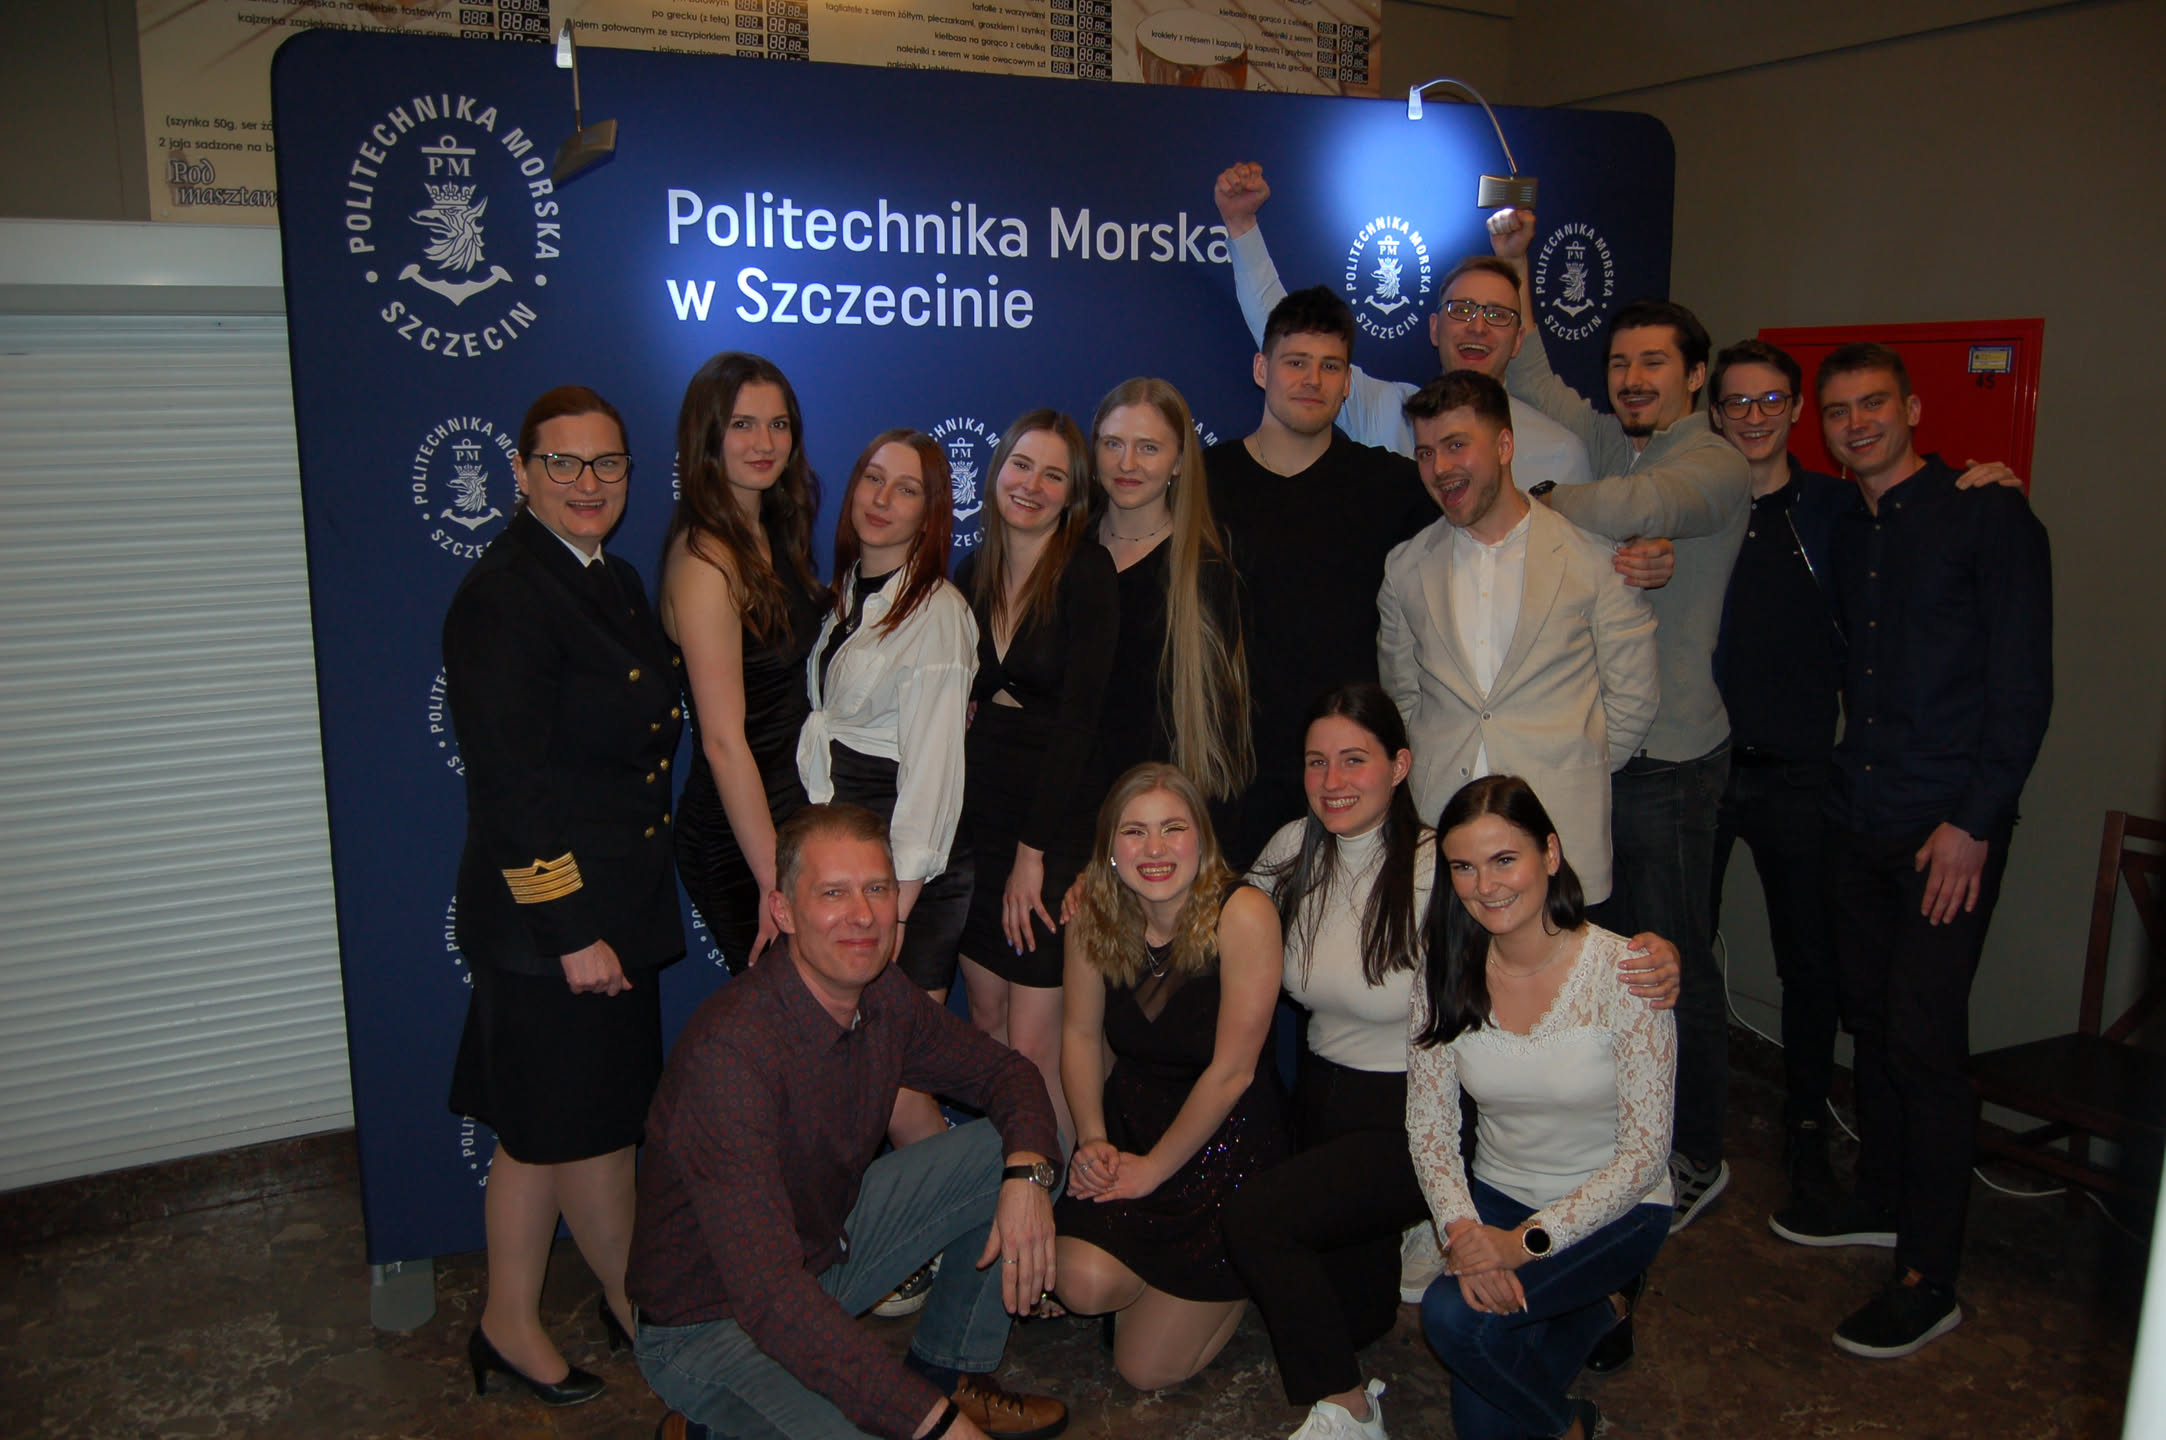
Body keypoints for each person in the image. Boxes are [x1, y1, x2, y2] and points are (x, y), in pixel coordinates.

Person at [1774, 343, 2051, 1360]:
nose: (1857, 422)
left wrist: (1974, 824)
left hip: (1948, 830)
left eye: (1874, 403)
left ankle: (1930, 1278)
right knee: (1875, 1022)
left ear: (1915, 408)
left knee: (1926, 1046)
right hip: (1860, 816)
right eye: (1839, 409)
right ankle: (1883, 1199)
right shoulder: (1848, 526)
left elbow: (2022, 689)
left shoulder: (1990, 515)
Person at [628, 804, 1069, 1440]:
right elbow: (772, 1299)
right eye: (833, 893)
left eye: (877, 889)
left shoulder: (882, 995)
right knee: (882, 1424)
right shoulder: (730, 1056)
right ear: (783, 912)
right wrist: (935, 1428)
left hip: (821, 1253)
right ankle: (709, 1425)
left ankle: (947, 1372)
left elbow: (1008, 1074)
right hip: (710, 1323)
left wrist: (1026, 1177)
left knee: (1027, 1146)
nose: (862, 915)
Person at [1705, 338, 2025, 1215]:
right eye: (1738, 403)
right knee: (1692, 965)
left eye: (1773, 401)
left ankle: (1818, 1144)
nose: (1755, 417)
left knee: (1836, 985)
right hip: (1727, 776)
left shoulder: (1844, 512)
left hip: (1833, 787)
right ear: (1715, 414)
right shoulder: (1695, 506)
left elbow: (2010, 686)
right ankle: (1692, 1136)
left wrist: (1986, 481)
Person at [1487, 207, 1750, 1231]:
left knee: (1670, 960)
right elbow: (1533, 375)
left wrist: (1548, 499)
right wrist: (1516, 261)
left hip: (1674, 760)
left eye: (1655, 364)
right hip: (1610, 754)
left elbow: (1644, 510)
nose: (1634, 379)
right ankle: (1627, 1136)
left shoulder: (1711, 460)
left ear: (1696, 376)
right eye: (1623, 363)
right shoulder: (1616, 442)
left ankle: (1694, 1152)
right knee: (1607, 959)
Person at [442, 385, 683, 1406]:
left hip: (613, 909)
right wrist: (573, 930)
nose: (589, 483)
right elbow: (510, 790)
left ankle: (537, 1316)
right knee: (573, 1134)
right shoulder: (504, 594)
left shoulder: (610, 578)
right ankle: (614, 1313)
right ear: (522, 473)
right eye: (564, 463)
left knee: (555, 1129)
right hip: (555, 929)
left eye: (608, 463)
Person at [1409, 776, 1677, 1440]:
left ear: (1550, 854)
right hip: (1499, 1196)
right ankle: (1588, 1349)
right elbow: (1431, 1129)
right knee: (1485, 1419)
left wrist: (1524, 1244)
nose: (1485, 886)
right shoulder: (1443, 973)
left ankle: (1581, 1364)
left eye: (1505, 859)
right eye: (1463, 867)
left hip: (1616, 1211)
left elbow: (1645, 1157)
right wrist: (1465, 1236)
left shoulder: (1626, 972)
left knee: (1450, 1318)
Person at [1219, 686, 1434, 1440]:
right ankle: (1400, 1245)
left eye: (1353, 760)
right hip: (1316, 1102)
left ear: (1399, 766)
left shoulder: (1436, 865)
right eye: (1317, 762)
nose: (1332, 781)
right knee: (1359, 1317)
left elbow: (1542, 933)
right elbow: (1208, 916)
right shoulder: (1293, 846)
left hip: (1409, 1115)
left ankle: (1350, 1410)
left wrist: (1646, 956)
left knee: (1256, 1222)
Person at [1377, 370, 1659, 904]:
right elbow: (1403, 697)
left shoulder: (1594, 558)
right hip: (1442, 843)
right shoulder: (1405, 568)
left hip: (1561, 839)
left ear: (1505, 445)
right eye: (1426, 453)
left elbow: (1632, 700)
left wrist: (1570, 764)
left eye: (1456, 445)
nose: (1440, 468)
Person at [1052, 763, 1289, 1390]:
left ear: (1201, 840)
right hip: (1132, 1123)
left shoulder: (1244, 913)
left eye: (1172, 829)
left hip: (1225, 1146)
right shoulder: (1092, 915)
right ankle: (1151, 1285)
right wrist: (1094, 1138)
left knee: (1144, 1370)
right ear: (1110, 848)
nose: (1154, 849)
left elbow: (1233, 1073)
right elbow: (1079, 1035)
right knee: (1081, 1285)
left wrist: (1154, 1169)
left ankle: (1247, 1271)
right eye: (1134, 832)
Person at [1201, 285, 1434, 865]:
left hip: (1344, 779)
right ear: (1262, 369)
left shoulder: (1388, 485)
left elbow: (1485, 508)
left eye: (1331, 366)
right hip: (1231, 776)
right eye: (1296, 362)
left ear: (1348, 381)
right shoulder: (1204, 482)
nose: (1313, 380)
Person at [798, 429, 979, 1149]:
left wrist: (894, 907)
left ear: (929, 514)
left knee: (896, 1084)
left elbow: (933, 772)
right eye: (873, 479)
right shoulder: (846, 594)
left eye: (907, 489)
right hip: (849, 858)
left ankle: (950, 1219)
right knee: (856, 1077)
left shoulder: (938, 613)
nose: (882, 499)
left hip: (907, 873)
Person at [1212, 161, 1591, 486]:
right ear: (1434, 328)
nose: (1477, 327)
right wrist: (1242, 225)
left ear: (1518, 340)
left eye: (1497, 315)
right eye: (1461, 310)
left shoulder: (1561, 454)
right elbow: (1288, 333)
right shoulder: (1387, 412)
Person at [955, 409, 1120, 1145]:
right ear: (997, 472)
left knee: (1032, 1046)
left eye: (1054, 475)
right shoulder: (971, 572)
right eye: (1022, 465)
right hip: (977, 819)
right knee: (986, 1022)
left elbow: (1080, 725)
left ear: (1073, 494)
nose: (1032, 485)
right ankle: (995, 1190)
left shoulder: (1088, 573)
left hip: (1049, 824)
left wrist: (1035, 855)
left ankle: (1049, 1196)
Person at [662, 352, 828, 973]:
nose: (764, 443)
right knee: (790, 1017)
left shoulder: (773, 533)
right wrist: (773, 879)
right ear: (706, 435)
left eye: (778, 424)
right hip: (742, 842)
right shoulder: (707, 559)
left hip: (793, 820)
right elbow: (723, 741)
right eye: (742, 424)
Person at [1090, 378, 1253, 824]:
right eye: (1113, 443)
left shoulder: (1209, 567)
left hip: (1161, 820)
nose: (1127, 463)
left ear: (1179, 461)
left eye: (1148, 448)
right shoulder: (1065, 550)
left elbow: (1220, 728)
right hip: (1065, 814)